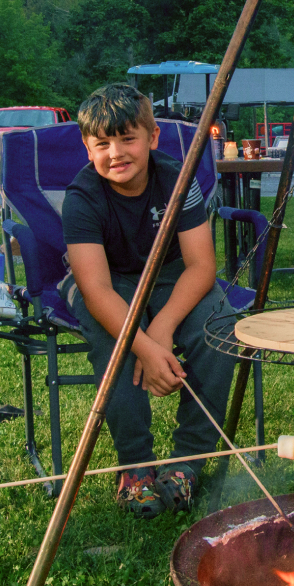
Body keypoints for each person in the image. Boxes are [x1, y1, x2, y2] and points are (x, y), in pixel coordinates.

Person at [59, 84, 237, 518]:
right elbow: (96, 289)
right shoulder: (81, 197)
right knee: (111, 340)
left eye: (128, 139)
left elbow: (200, 266)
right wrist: (141, 346)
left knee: (220, 326)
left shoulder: (178, 178)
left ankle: (187, 463)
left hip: (174, 275)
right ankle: (135, 466)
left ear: (153, 137)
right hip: (109, 282)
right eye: (102, 143)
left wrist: (159, 331)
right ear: (88, 148)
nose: (116, 153)